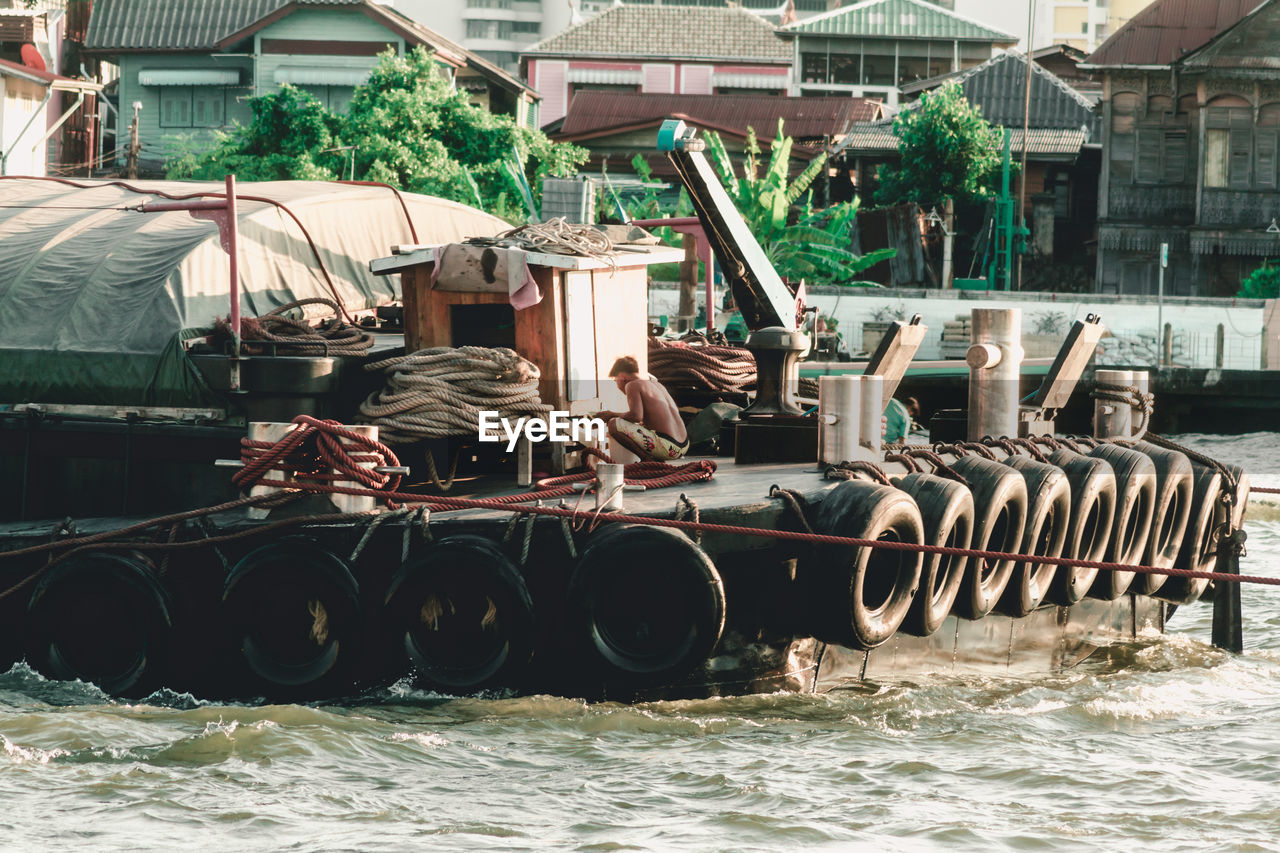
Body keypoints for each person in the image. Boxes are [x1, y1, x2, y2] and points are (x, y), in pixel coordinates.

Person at [597, 356, 689, 462]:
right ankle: (653, 458)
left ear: (622, 377)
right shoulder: (656, 384)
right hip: (684, 445)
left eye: (615, 379)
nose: (617, 383)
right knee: (635, 426)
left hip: (669, 448)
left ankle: (646, 460)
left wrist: (611, 414)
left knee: (614, 424)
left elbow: (636, 416)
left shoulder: (632, 385)